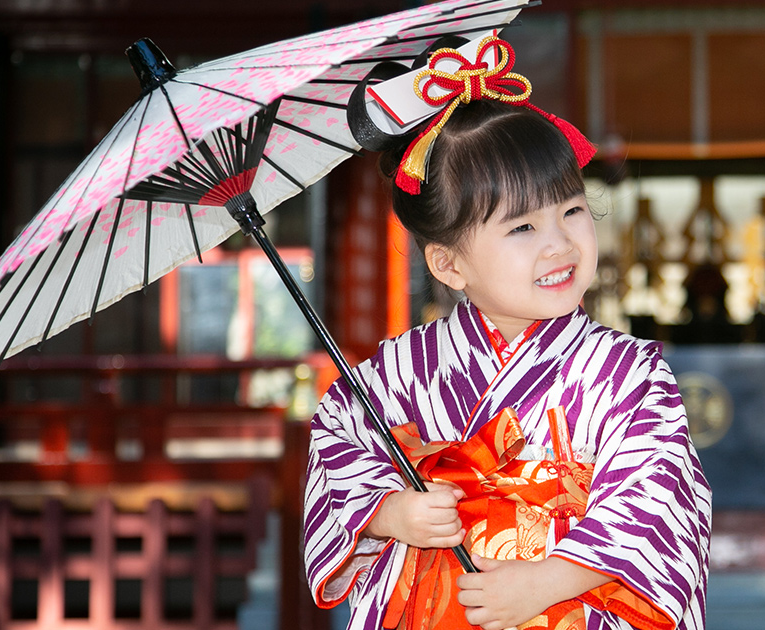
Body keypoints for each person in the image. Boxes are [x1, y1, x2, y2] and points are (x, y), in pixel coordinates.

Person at [304, 37, 711, 630]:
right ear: (448, 264)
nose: (560, 244)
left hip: (571, 606)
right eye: (522, 226)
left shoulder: (627, 372)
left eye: (571, 210)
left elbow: (660, 496)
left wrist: (548, 581)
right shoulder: (396, 374)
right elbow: (337, 452)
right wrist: (392, 514)